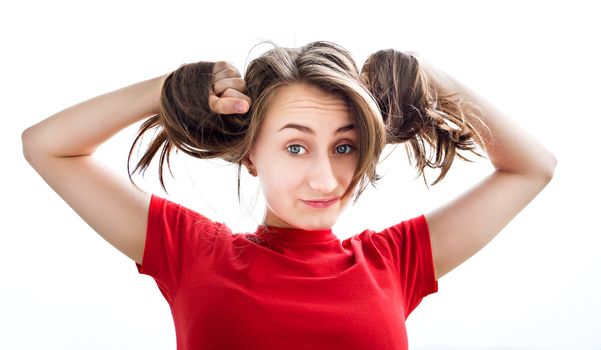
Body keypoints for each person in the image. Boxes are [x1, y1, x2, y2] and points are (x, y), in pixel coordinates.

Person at [21, 40, 556, 349]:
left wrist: (424, 74)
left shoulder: (395, 262)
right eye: (296, 148)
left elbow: (532, 168)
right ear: (251, 153)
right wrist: (169, 88)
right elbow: (47, 146)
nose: (326, 180)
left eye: (345, 147)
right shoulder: (191, 252)